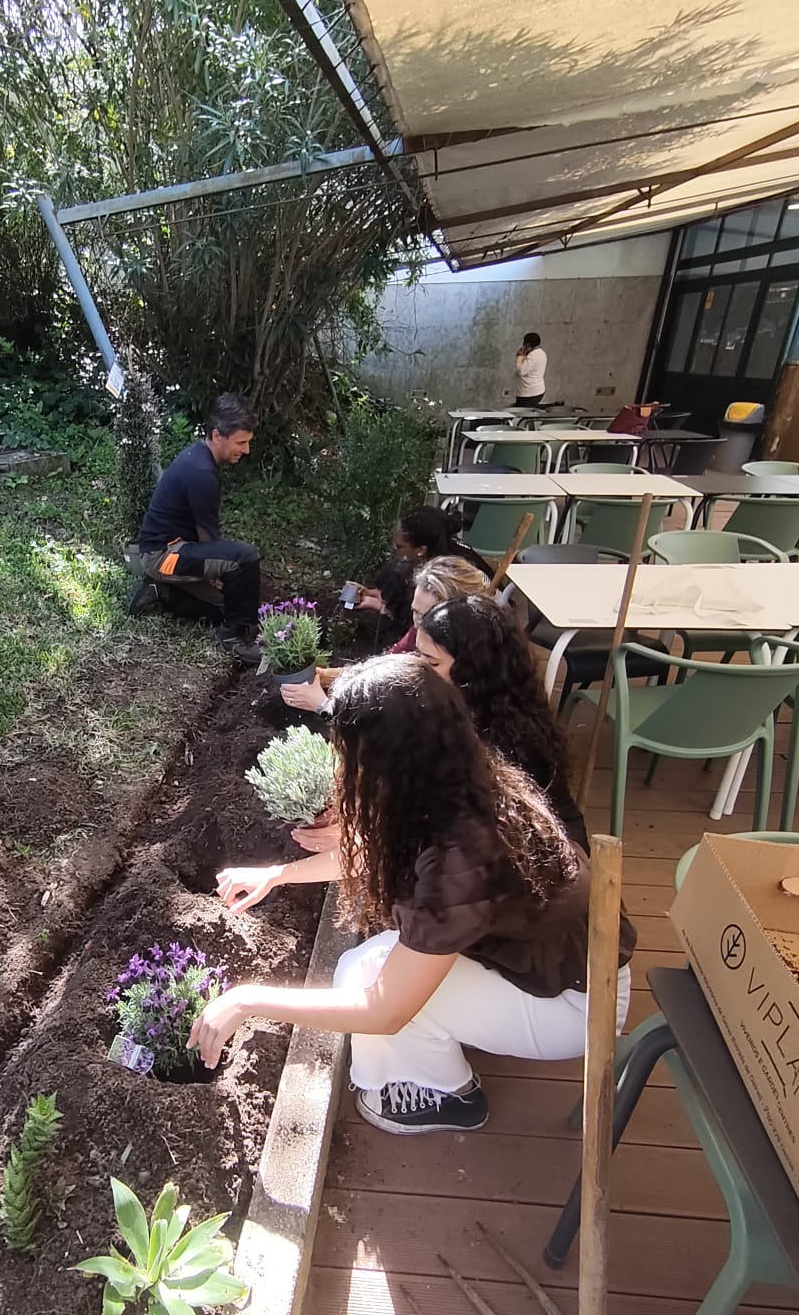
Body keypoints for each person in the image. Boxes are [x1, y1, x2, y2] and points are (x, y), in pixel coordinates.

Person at [188, 657, 635, 1133]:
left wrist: (248, 1000)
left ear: (387, 762)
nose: (342, 771)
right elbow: (384, 851)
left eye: (347, 756)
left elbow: (383, 1010)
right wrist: (278, 875)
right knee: (363, 964)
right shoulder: (463, 779)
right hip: (567, 965)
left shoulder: (461, 860)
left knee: (364, 983)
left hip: (577, 1006)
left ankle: (449, 1095)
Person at [415, 593, 588, 850]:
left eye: (431, 662)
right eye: (418, 655)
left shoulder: (505, 746)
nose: (418, 669)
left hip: (536, 858)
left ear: (471, 670)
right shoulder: (475, 707)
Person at [129, 393, 261, 664]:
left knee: (232, 605)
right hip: (163, 557)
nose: (246, 450)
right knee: (246, 558)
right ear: (217, 435)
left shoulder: (200, 457)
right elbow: (209, 540)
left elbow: (207, 540)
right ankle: (232, 638)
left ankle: (163, 591)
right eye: (241, 442)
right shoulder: (201, 473)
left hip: (170, 551)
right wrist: (218, 575)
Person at [281, 553, 491, 720]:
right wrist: (329, 675)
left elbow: (391, 729)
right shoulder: (422, 634)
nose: (417, 624)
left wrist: (324, 707)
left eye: (427, 616)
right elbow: (386, 669)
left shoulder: (464, 682)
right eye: (415, 611)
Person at [353, 505, 493, 627]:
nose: (394, 550)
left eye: (400, 546)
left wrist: (377, 605)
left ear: (421, 550)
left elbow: (423, 622)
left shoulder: (444, 575)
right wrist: (373, 594)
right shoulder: (446, 547)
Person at [514, 332, 547, 407]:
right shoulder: (542, 353)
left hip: (528, 393)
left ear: (528, 344)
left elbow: (521, 371)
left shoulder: (533, 355)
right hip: (536, 391)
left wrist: (519, 356)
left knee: (520, 412)